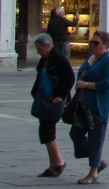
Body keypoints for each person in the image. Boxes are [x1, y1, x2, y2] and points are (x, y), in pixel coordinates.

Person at [70, 30, 109, 184]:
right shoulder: (91, 59)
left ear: (105, 44)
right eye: (91, 42)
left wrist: (86, 85)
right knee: (76, 134)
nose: (92, 45)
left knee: (95, 138)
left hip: (98, 106)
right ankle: (96, 160)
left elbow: (106, 84)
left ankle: (93, 172)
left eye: (96, 43)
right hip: (83, 105)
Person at [30, 33, 75, 178]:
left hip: (54, 100)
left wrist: (60, 95)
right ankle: (54, 164)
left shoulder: (59, 59)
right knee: (45, 131)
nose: (38, 51)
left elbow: (69, 79)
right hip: (44, 97)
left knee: (47, 131)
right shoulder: (45, 59)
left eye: (40, 49)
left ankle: (58, 162)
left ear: (48, 46)